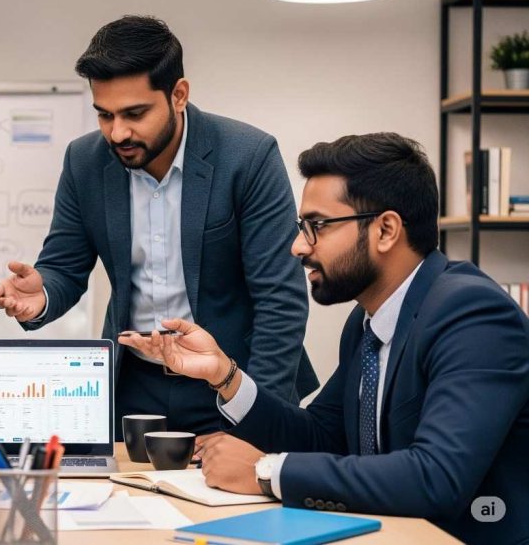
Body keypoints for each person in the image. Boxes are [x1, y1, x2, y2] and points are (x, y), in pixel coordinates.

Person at [121, 133, 529, 543]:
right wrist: (224, 375)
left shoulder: (473, 316)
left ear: (386, 230)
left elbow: (435, 477)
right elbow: (321, 436)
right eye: (302, 227)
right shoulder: (367, 322)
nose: (298, 247)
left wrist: (266, 472)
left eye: (317, 226)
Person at [0, 15, 317, 436]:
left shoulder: (248, 156)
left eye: (135, 113)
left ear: (178, 95)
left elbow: (280, 299)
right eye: (104, 115)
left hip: (232, 376)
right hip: (133, 384)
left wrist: (258, 420)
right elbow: (64, 267)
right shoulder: (84, 161)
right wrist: (44, 293)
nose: (117, 133)